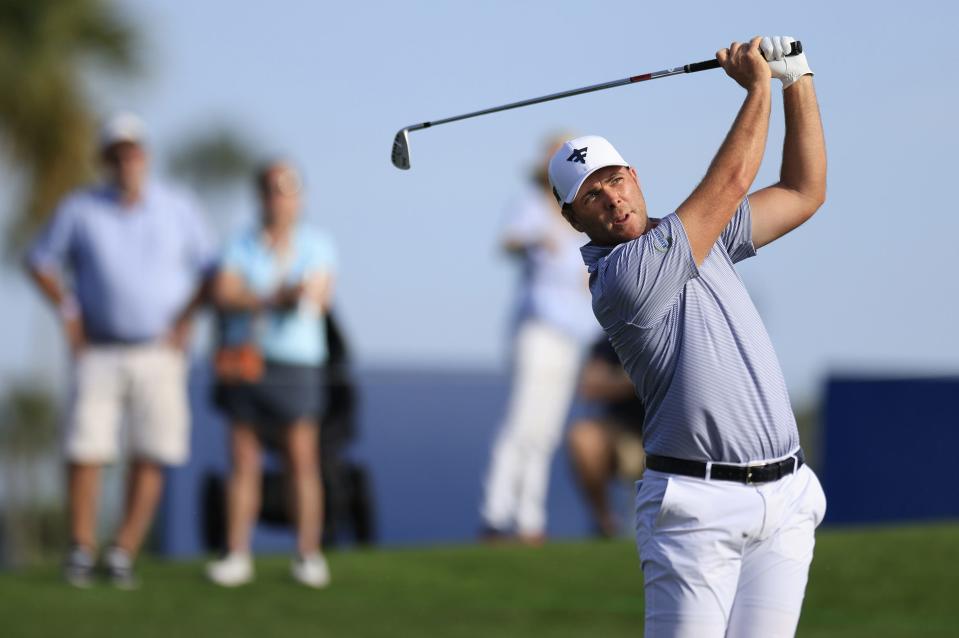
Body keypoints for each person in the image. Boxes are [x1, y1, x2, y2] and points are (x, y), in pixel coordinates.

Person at [547, 36, 827, 636]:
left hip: (784, 497)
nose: (610, 197)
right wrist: (757, 86)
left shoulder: (704, 237)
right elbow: (728, 184)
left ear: (633, 175)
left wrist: (797, 79)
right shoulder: (620, 277)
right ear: (572, 219)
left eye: (614, 179)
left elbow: (805, 191)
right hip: (694, 510)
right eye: (589, 195)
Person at [24, 112, 216, 589]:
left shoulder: (178, 207)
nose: (126, 161)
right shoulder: (81, 208)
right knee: (86, 449)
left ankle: (123, 551)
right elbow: (40, 260)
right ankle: (81, 549)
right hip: (99, 349)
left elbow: (212, 268)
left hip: (159, 351)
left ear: (145, 156)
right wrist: (68, 311)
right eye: (117, 153)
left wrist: (187, 318)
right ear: (105, 160)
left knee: (151, 452)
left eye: (132, 152)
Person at [205, 160, 336, 589]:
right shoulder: (240, 242)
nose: (280, 200)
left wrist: (266, 296)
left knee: (301, 459)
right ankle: (237, 554)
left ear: (299, 199)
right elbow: (224, 292)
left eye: (288, 191)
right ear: (261, 197)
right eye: (272, 191)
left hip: (297, 362)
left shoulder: (317, 244)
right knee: (243, 459)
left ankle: (307, 554)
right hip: (246, 359)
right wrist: (271, 296)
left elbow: (319, 297)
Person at [480, 135, 600, 545]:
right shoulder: (531, 207)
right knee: (521, 421)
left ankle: (529, 518)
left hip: (572, 334)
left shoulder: (579, 217)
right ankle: (496, 514)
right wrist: (536, 239)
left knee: (546, 429)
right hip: (537, 328)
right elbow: (509, 241)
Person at [567, 336, 645, 538]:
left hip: (677, 433)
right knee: (584, 438)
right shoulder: (615, 336)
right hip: (626, 434)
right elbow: (590, 383)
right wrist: (638, 377)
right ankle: (605, 524)